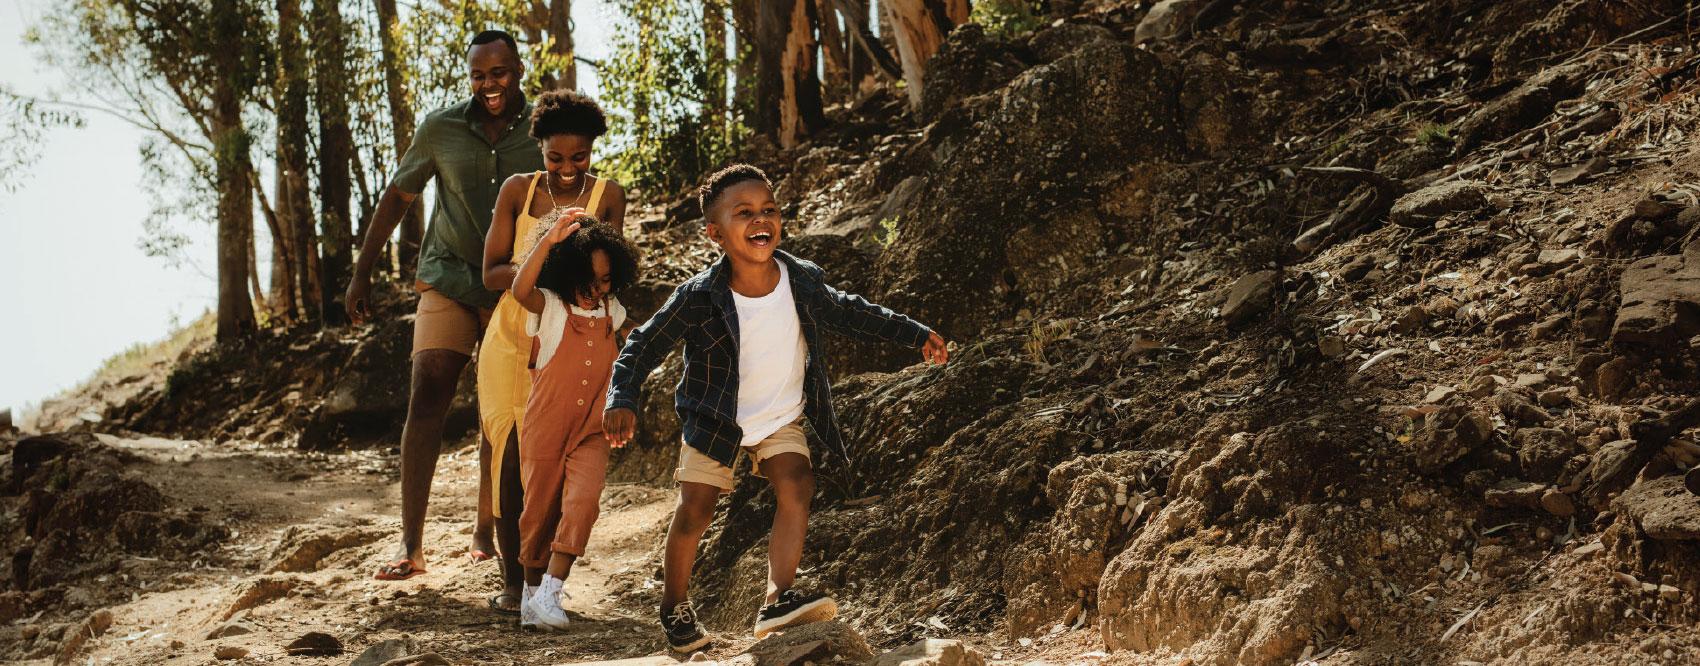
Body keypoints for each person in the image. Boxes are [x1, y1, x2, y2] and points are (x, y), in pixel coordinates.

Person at [603, 164, 950, 652]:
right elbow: (642, 345)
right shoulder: (698, 298)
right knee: (696, 509)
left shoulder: (800, 281)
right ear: (714, 234)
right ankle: (675, 605)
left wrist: (913, 334)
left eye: (768, 209)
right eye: (742, 213)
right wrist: (622, 397)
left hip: (778, 416)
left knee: (798, 484)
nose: (760, 219)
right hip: (714, 420)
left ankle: (777, 598)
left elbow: (852, 312)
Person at [343, 29, 542, 585]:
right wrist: (362, 272)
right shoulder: (441, 129)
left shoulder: (542, 129)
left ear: (519, 69)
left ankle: (486, 531)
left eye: (499, 72)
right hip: (449, 276)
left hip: (512, 286)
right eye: (479, 75)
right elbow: (397, 196)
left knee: (499, 411)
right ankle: (411, 545)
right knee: (428, 388)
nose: (489, 85)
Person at [476, 90, 627, 615]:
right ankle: (513, 581)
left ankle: (544, 583)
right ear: (539, 149)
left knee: (562, 464)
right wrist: (544, 266)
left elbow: (612, 271)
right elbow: (493, 271)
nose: (566, 169)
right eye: (554, 157)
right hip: (515, 332)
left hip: (570, 336)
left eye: (578, 157)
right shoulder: (517, 190)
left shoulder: (609, 195)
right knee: (511, 453)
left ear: (592, 150)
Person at [504, 217, 639, 630]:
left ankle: (552, 589)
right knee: (538, 512)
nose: (596, 288)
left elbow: (636, 343)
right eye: (588, 278)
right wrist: (547, 240)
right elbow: (518, 289)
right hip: (545, 426)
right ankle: (531, 593)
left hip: (592, 429)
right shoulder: (549, 307)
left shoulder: (610, 310)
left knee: (583, 501)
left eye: (604, 279)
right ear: (566, 271)